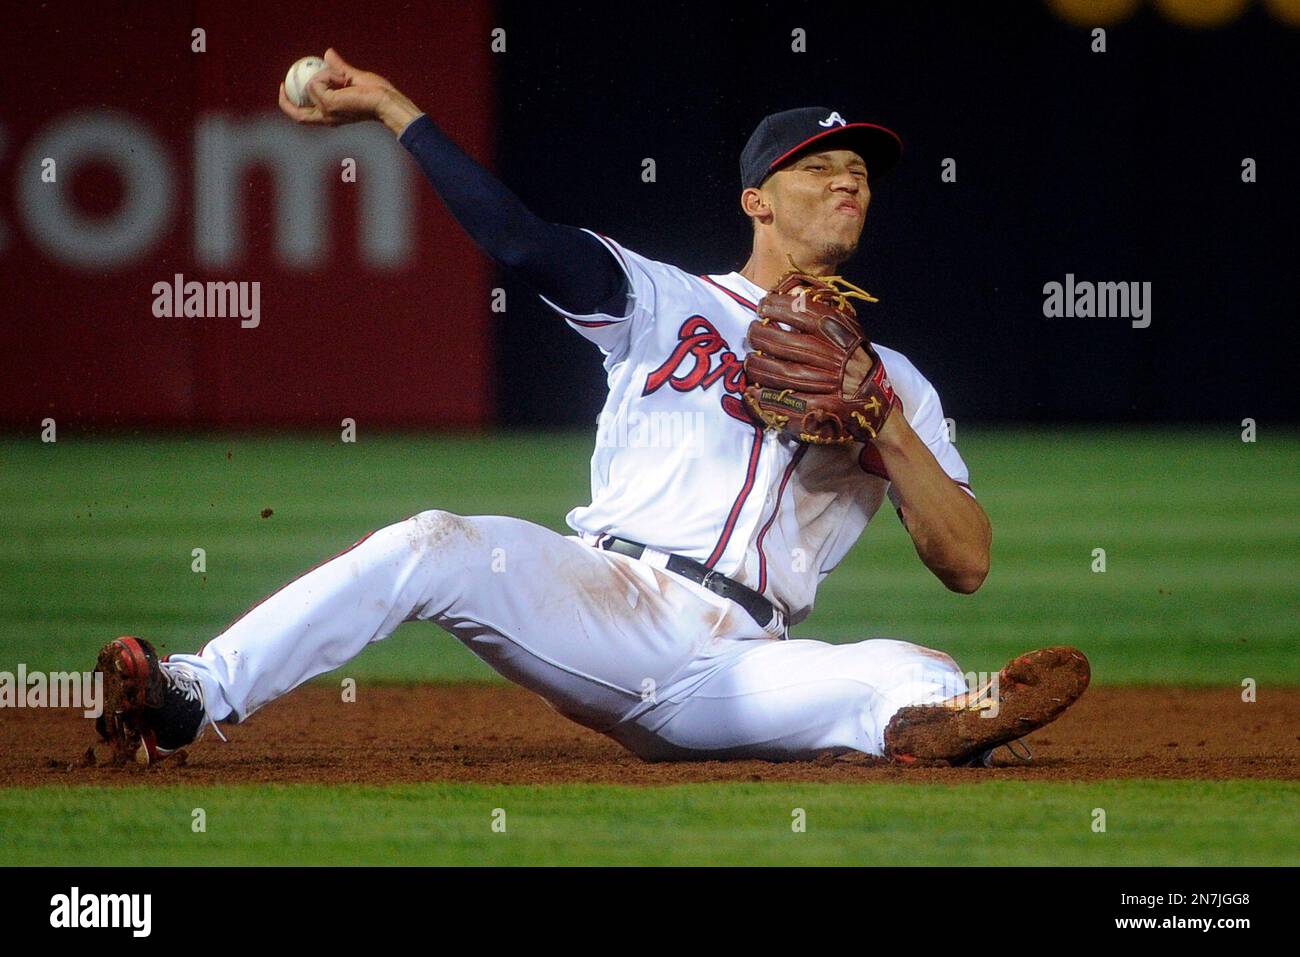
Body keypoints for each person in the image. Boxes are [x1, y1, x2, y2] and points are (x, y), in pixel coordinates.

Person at [92, 49, 1089, 769]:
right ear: (756, 199)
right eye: (818, 166)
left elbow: (967, 562)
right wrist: (398, 110)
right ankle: (191, 694)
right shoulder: (660, 298)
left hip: (739, 665)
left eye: (859, 174)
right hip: (602, 606)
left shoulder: (896, 381)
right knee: (436, 542)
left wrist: (885, 428)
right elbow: (521, 242)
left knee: (917, 670)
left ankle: (927, 736)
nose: (845, 183)